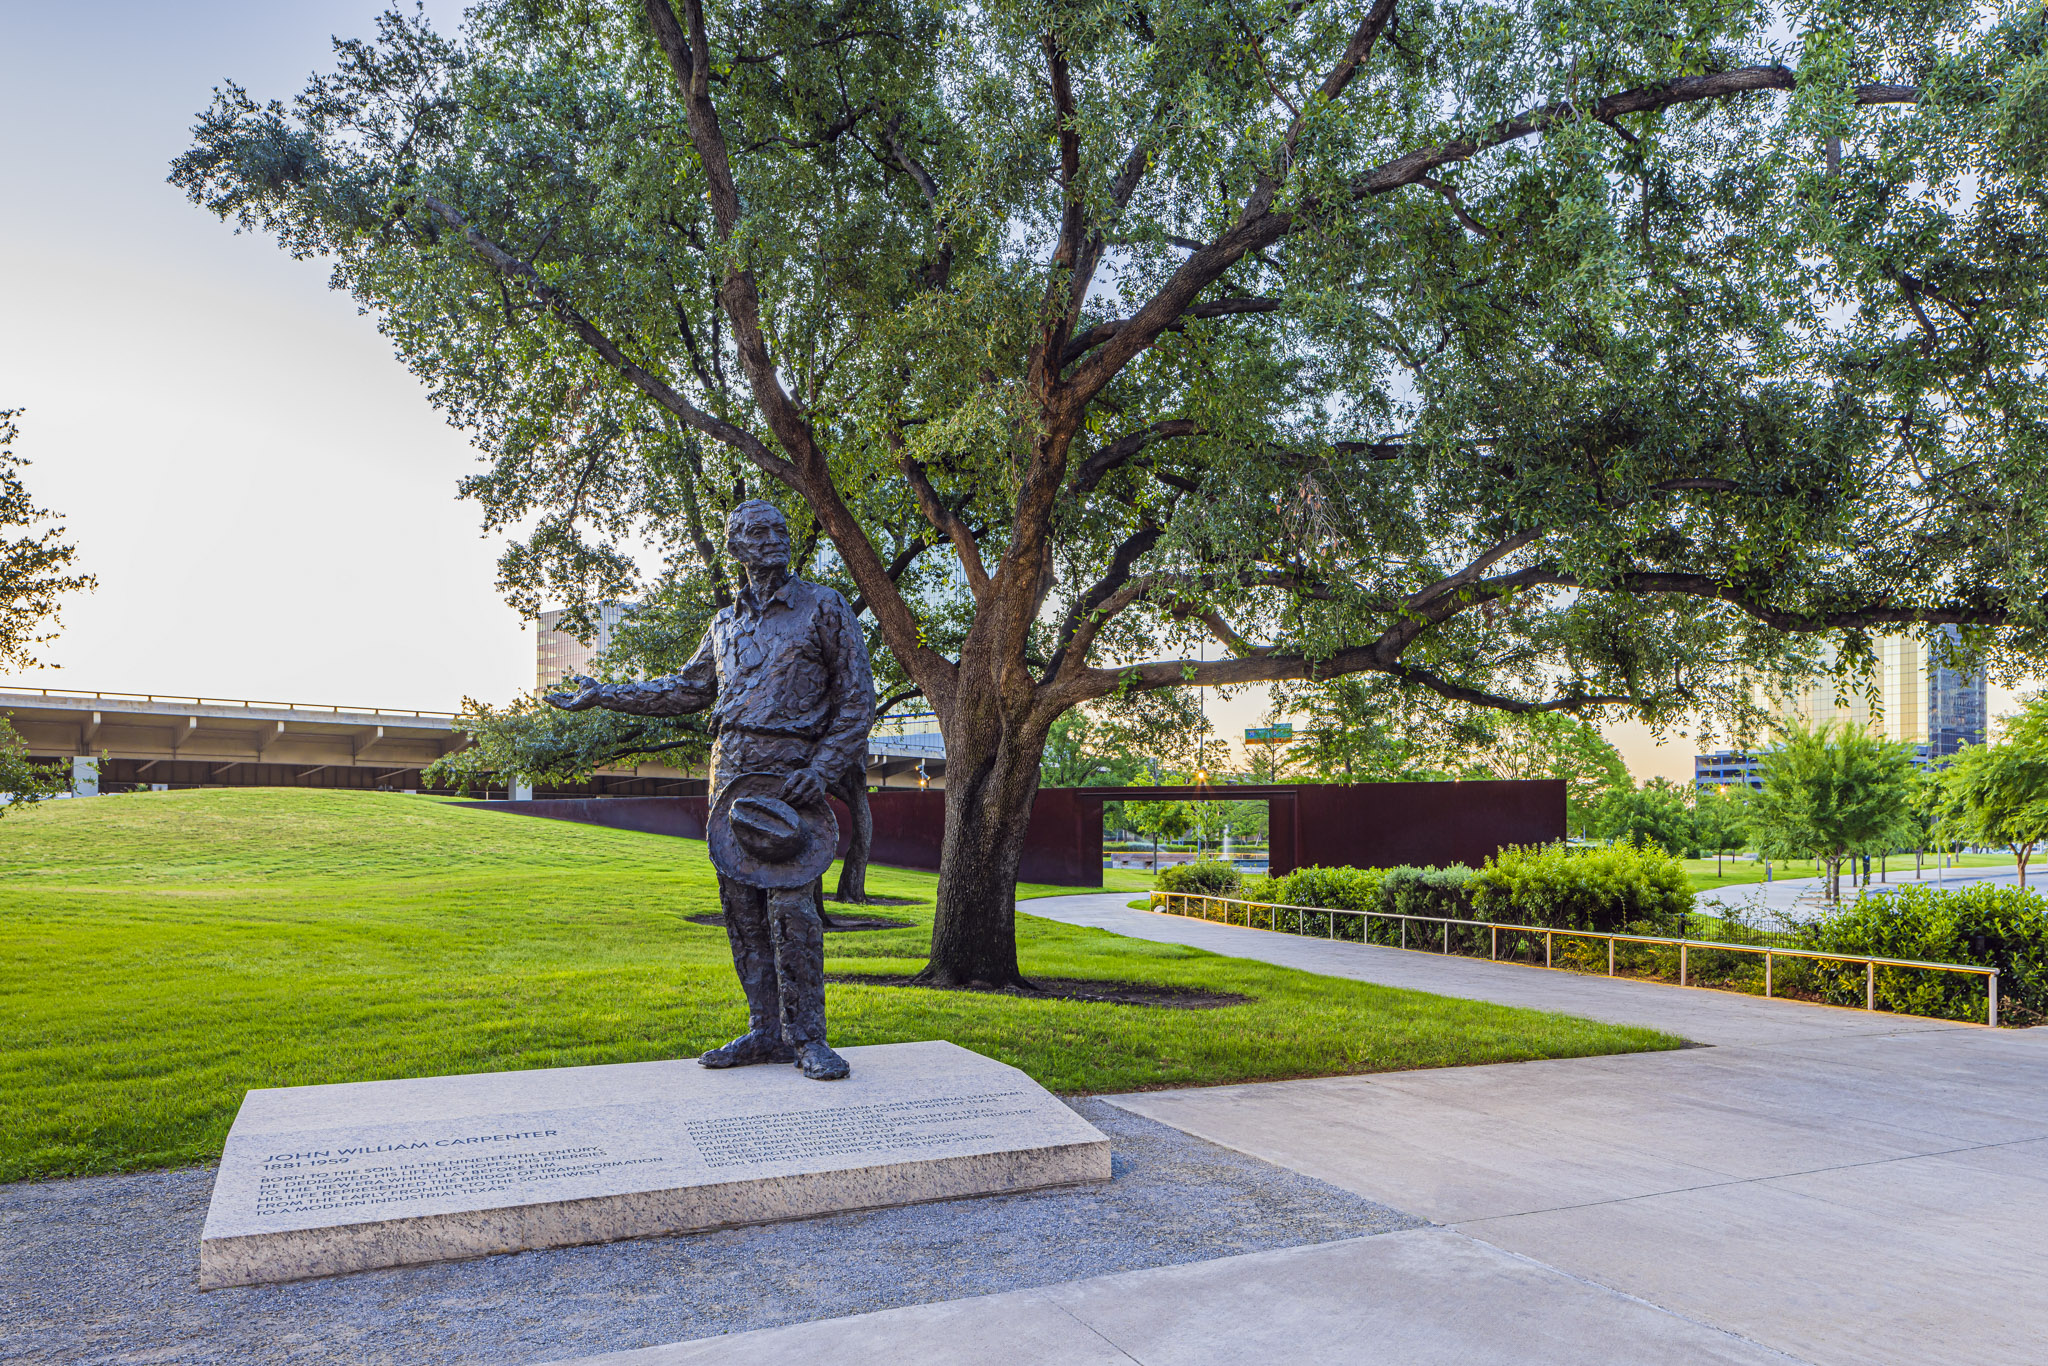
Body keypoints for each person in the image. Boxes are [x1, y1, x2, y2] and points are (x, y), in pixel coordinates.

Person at [548, 500, 874, 1080]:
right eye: (757, 531)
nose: (772, 538)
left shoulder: (824, 606)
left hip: (791, 774)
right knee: (741, 909)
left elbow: (857, 699)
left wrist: (823, 769)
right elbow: (684, 688)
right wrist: (605, 694)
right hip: (730, 776)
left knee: (792, 907)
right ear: (736, 547)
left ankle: (808, 1038)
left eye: (779, 529)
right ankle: (764, 1031)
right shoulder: (724, 623)